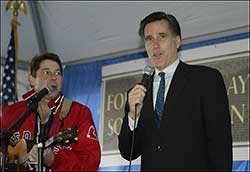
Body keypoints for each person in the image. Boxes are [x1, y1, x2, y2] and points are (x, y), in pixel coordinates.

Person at [118, 11, 232, 171]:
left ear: (177, 41)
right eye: (149, 39)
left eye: (161, 37)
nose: (155, 45)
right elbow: (128, 152)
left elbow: (221, 144)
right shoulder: (138, 92)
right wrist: (132, 116)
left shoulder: (206, 79)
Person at [0, 53, 101, 171]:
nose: (53, 77)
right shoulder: (12, 112)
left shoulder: (79, 113)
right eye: (46, 72)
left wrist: (54, 160)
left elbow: (91, 164)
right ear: (31, 79)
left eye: (58, 73)